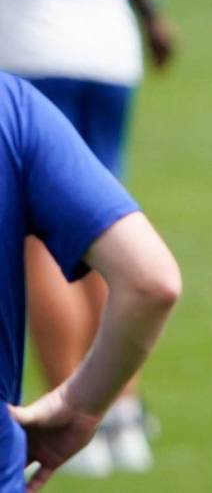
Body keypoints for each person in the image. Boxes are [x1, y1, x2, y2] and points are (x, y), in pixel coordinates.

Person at [0, 0, 175, 476]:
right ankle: (119, 411)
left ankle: (68, 402)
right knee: (107, 228)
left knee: (35, 239)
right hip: (107, 41)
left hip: (31, 41)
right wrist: (149, 11)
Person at [0, 72, 180, 492]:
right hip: (108, 54)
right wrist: (77, 403)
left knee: (47, 246)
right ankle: (123, 417)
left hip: (42, 48)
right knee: (85, 222)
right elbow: (150, 280)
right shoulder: (12, 106)